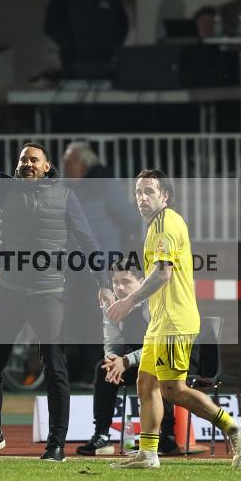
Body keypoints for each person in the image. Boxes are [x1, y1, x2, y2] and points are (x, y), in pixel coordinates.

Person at [0, 106, 115, 462]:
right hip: (10, 292)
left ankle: (56, 444)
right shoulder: (4, 189)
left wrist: (104, 282)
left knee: (55, 368)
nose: (28, 164)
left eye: (34, 159)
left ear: (47, 167)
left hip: (49, 293)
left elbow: (88, 240)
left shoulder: (65, 196)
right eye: (23, 160)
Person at [106, 169, 241, 469]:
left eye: (149, 191)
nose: (142, 197)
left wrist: (129, 301)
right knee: (146, 382)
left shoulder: (166, 224)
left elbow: (162, 273)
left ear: (165, 196)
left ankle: (234, 428)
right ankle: (148, 454)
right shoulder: (154, 225)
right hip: (161, 322)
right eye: (138, 192)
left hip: (174, 322)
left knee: (174, 390)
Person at [77, 266, 180, 456]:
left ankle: (167, 437)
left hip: (168, 357)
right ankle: (102, 436)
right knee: (103, 368)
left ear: (142, 282)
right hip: (136, 360)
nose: (119, 288)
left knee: (158, 369)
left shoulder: (154, 303)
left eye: (126, 282)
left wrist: (125, 361)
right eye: (115, 282)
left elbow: (159, 347)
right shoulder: (111, 305)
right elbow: (112, 341)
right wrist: (113, 361)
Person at [62, 140, 140, 388]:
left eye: (70, 161)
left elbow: (130, 219)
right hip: (73, 266)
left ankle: (93, 373)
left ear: (84, 163)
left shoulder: (103, 185)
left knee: (97, 319)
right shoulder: (66, 188)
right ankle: (74, 373)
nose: (65, 166)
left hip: (100, 266)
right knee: (74, 317)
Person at [44, 0, 128, 79]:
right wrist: (69, 44)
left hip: (104, 63)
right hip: (73, 64)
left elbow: (122, 23)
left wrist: (113, 45)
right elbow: (51, 25)